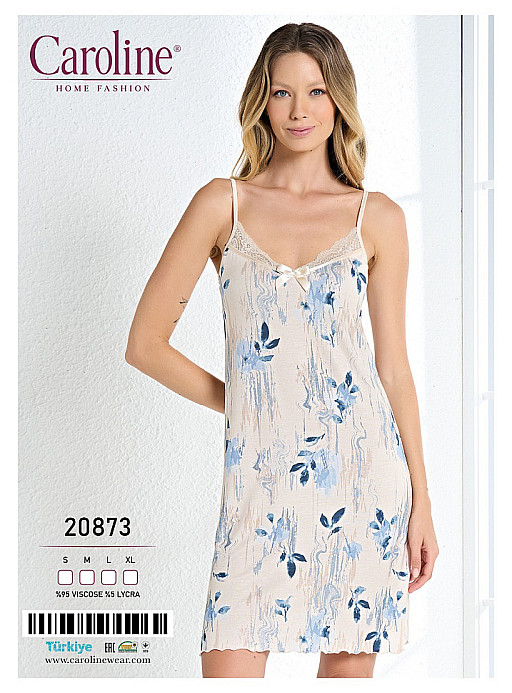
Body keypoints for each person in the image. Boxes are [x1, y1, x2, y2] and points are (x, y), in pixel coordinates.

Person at [125, 22, 439, 679]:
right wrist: (248, 403)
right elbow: (146, 344)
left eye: (317, 91)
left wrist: (423, 502)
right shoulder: (222, 204)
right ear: (261, 102)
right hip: (257, 490)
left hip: (364, 481)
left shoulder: (378, 217)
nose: (300, 110)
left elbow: (393, 368)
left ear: (339, 100)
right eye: (282, 92)